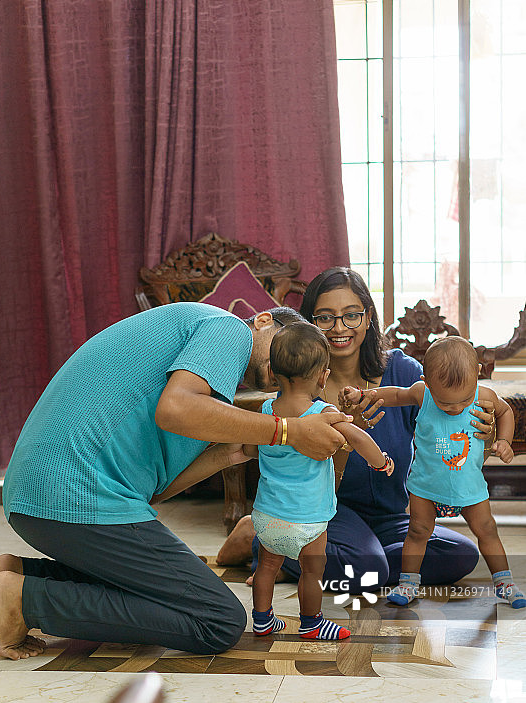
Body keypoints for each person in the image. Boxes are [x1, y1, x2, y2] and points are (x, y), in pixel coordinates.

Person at [0, 302, 352, 661]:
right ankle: (22, 600)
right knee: (218, 620)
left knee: (163, 591)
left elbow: (158, 491)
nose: (288, 363)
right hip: (74, 492)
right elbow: (175, 408)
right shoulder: (228, 330)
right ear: (261, 321)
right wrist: (287, 431)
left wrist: (241, 449)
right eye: (286, 346)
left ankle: (18, 574)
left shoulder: (207, 376)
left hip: (39, 495)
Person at [217, 267, 496, 594]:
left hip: (390, 516)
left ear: (367, 318)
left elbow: (449, 436)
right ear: (308, 324)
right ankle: (264, 544)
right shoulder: (298, 386)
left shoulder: (403, 371)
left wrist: (484, 433)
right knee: (368, 566)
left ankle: (303, 556)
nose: (339, 328)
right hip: (324, 514)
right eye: (325, 317)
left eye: (351, 315)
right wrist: (348, 438)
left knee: (460, 554)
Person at [342, 335, 526, 608]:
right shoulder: (421, 392)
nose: (455, 409)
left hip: (469, 486)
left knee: (487, 529)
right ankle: (408, 583)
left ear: (477, 374)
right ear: (427, 381)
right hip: (425, 486)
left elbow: (506, 411)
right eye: (445, 404)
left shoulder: (483, 395)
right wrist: (365, 395)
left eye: (463, 402)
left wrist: (504, 441)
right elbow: (394, 394)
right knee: (417, 532)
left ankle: (504, 582)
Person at [246, 322, 393, 640]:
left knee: (267, 568)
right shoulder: (324, 412)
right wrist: (381, 462)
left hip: (268, 515)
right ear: (324, 376)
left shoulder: (265, 409)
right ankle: (312, 623)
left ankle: (261, 619)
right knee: (312, 572)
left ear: (273, 373)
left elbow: (247, 446)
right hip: (309, 519)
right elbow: (361, 440)